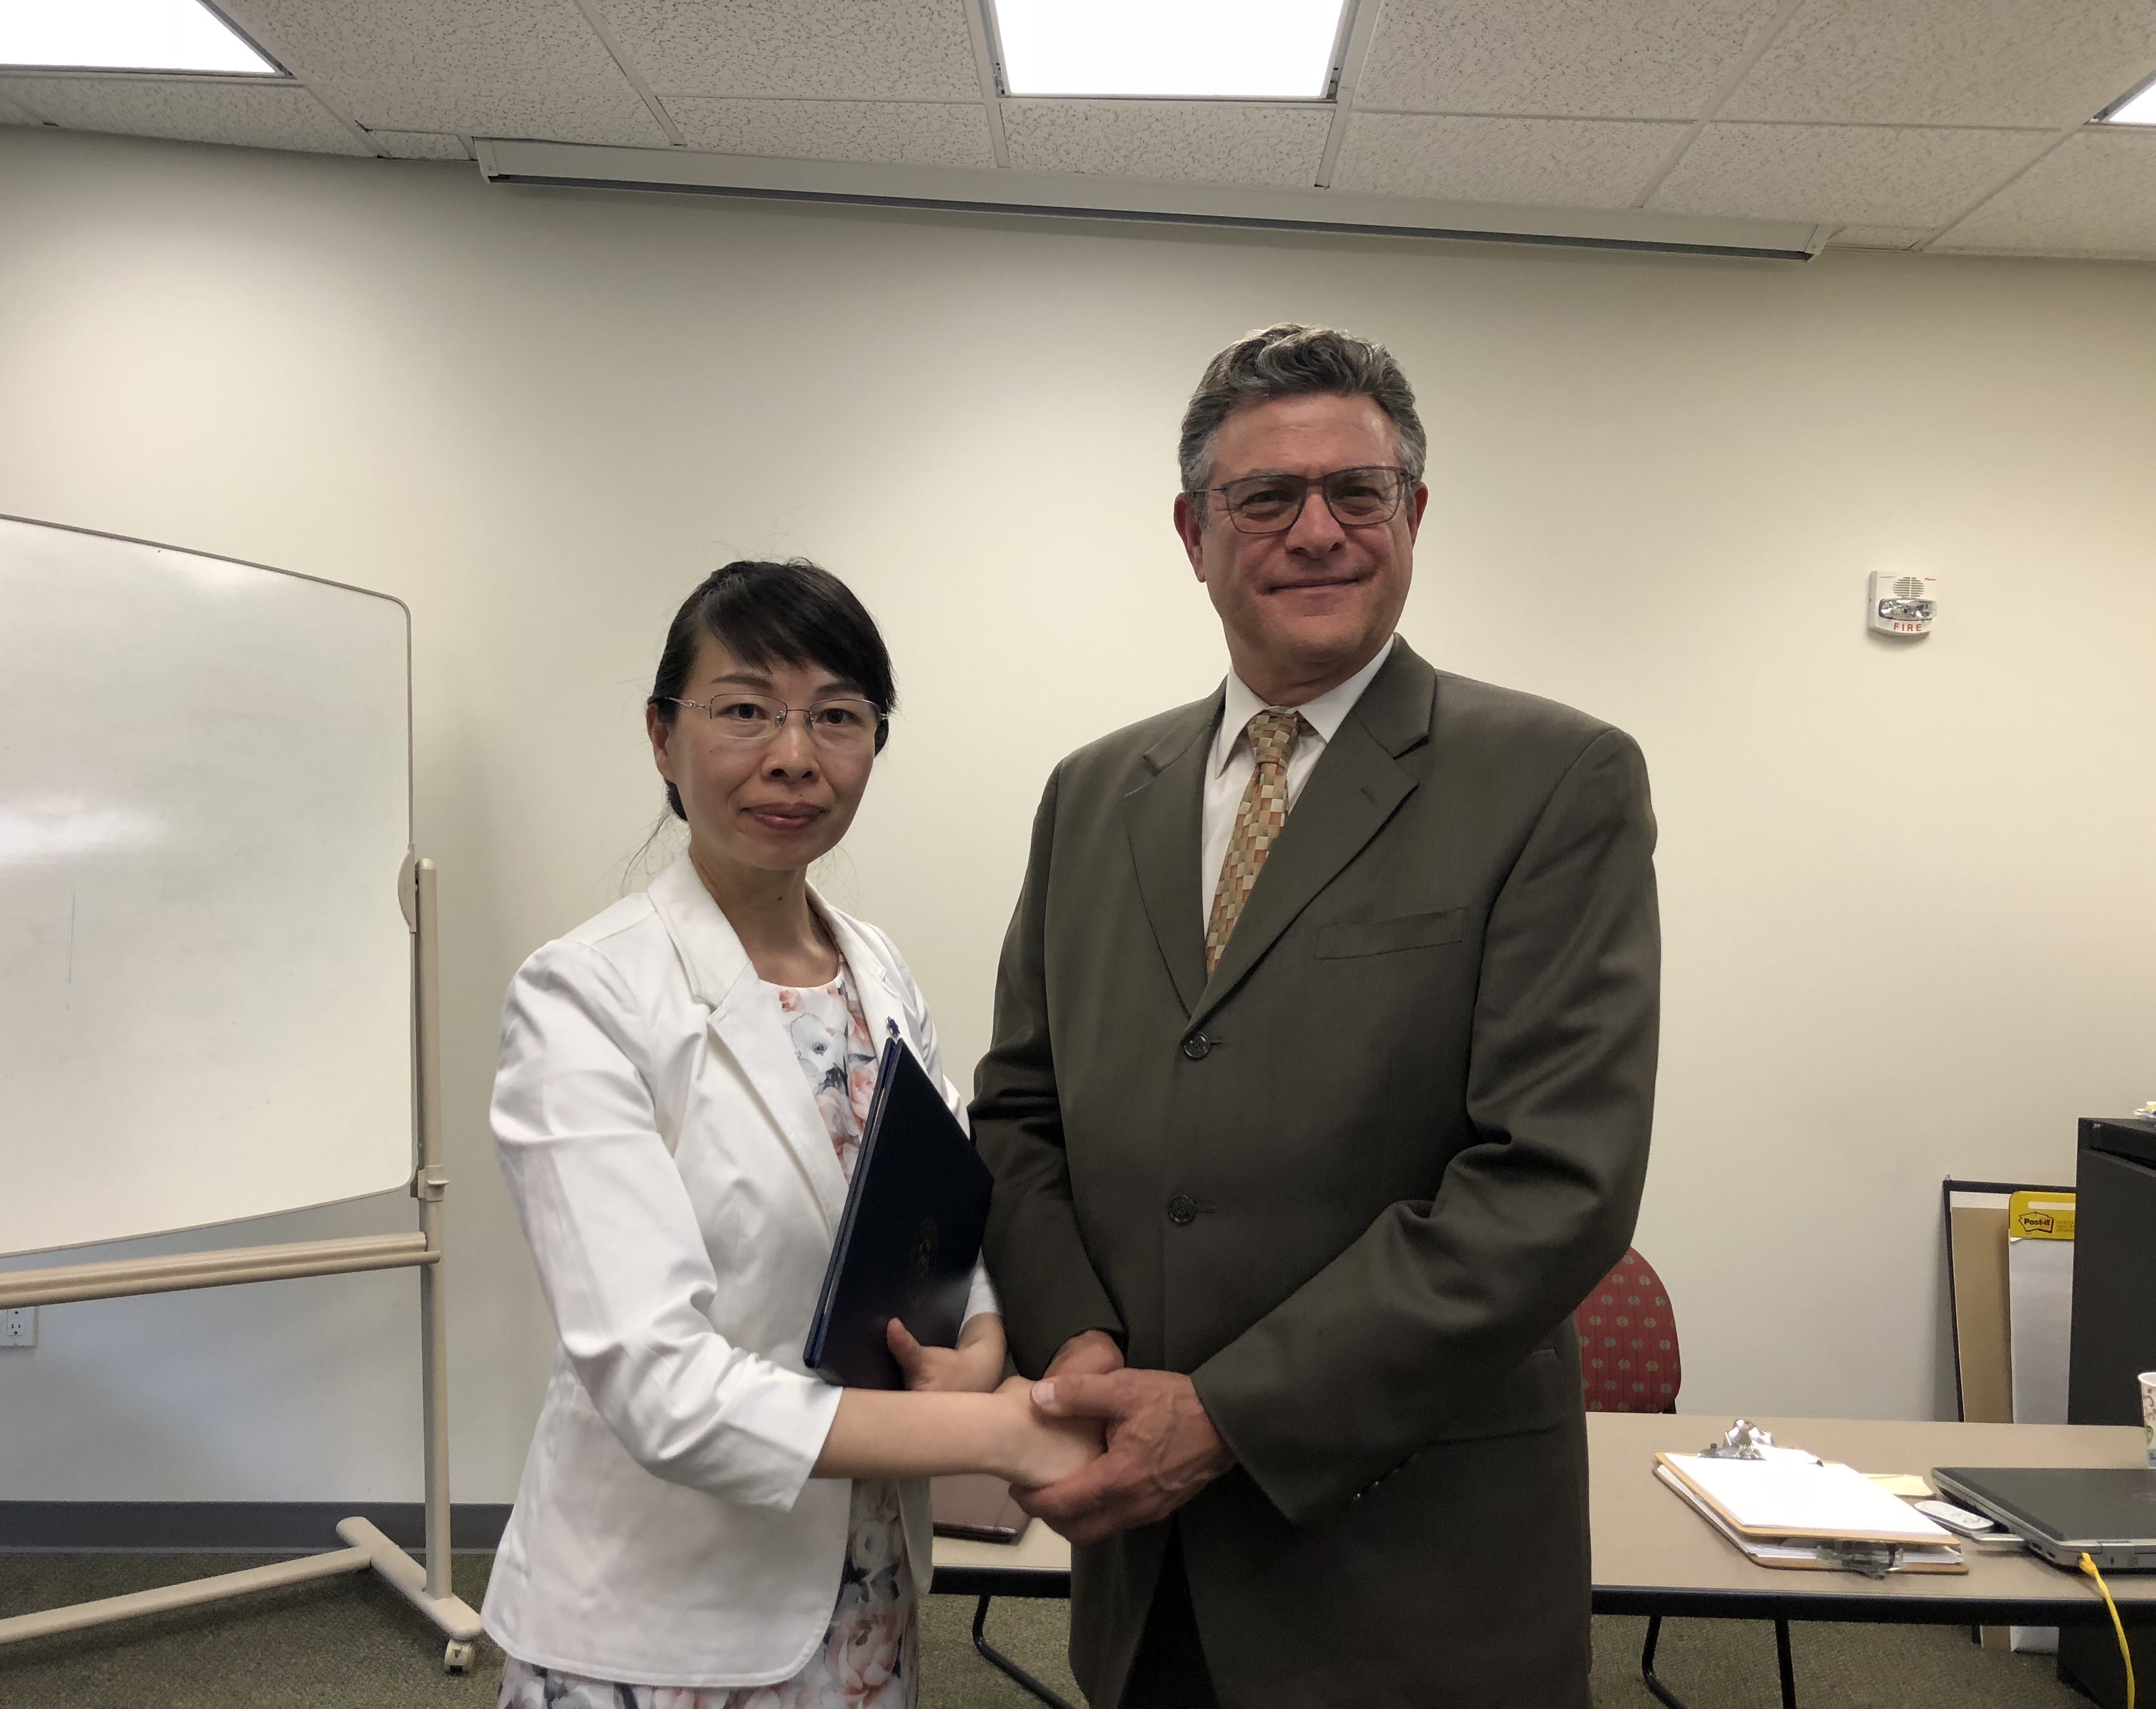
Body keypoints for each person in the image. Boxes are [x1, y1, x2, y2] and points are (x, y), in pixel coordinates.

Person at [972, 325, 1660, 1708]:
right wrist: (1080, 1343)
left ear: (1415, 515)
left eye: (1360, 491)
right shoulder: (1093, 793)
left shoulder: (1554, 780)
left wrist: (1226, 1416)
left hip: (1411, 1576)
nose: (1319, 531)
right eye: (1266, 497)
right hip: (1146, 1566)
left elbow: (1554, 1181)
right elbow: (1020, 1112)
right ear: (1194, 534)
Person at [483, 559, 1099, 1709]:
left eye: (837, 717)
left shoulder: (878, 968)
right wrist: (995, 1435)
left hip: (868, 1595)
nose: (793, 756)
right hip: (662, 1623)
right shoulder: (585, 996)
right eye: (745, 709)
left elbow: (942, 1209)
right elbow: (661, 1384)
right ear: (663, 737)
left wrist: (981, 1339)